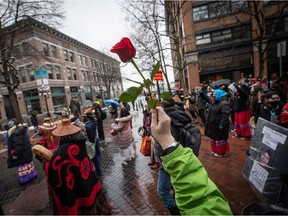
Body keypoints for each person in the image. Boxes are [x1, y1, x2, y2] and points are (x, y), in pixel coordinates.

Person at [150, 107, 232, 215]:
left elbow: (199, 202)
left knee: (162, 190)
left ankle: (174, 211)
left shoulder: (169, 124)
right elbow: (203, 201)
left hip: (171, 162)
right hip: (183, 161)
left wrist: (166, 141)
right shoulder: (184, 119)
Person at [44, 118, 112, 215]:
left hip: (74, 190)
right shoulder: (81, 144)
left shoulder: (61, 152)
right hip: (87, 183)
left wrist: (45, 164)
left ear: (61, 136)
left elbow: (53, 172)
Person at [6, 119, 37, 184]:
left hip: (22, 155)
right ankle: (32, 175)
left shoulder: (16, 133)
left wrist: (14, 152)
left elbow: (18, 146)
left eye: (10, 125)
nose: (9, 126)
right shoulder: (21, 130)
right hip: (26, 153)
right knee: (28, 166)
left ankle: (25, 179)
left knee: (23, 168)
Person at [205, 89, 231, 157]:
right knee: (214, 139)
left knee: (219, 139)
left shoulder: (224, 103)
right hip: (214, 125)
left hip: (219, 125)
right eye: (213, 94)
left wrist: (222, 124)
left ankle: (221, 152)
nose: (213, 96)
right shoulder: (215, 102)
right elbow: (207, 99)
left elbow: (225, 115)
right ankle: (215, 150)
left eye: (215, 94)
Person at [83, 112, 102, 178]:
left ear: (87, 117)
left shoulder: (88, 126)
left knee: (94, 157)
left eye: (85, 116)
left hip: (92, 142)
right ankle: (98, 172)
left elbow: (89, 135)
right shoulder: (93, 121)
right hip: (95, 140)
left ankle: (98, 173)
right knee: (96, 155)